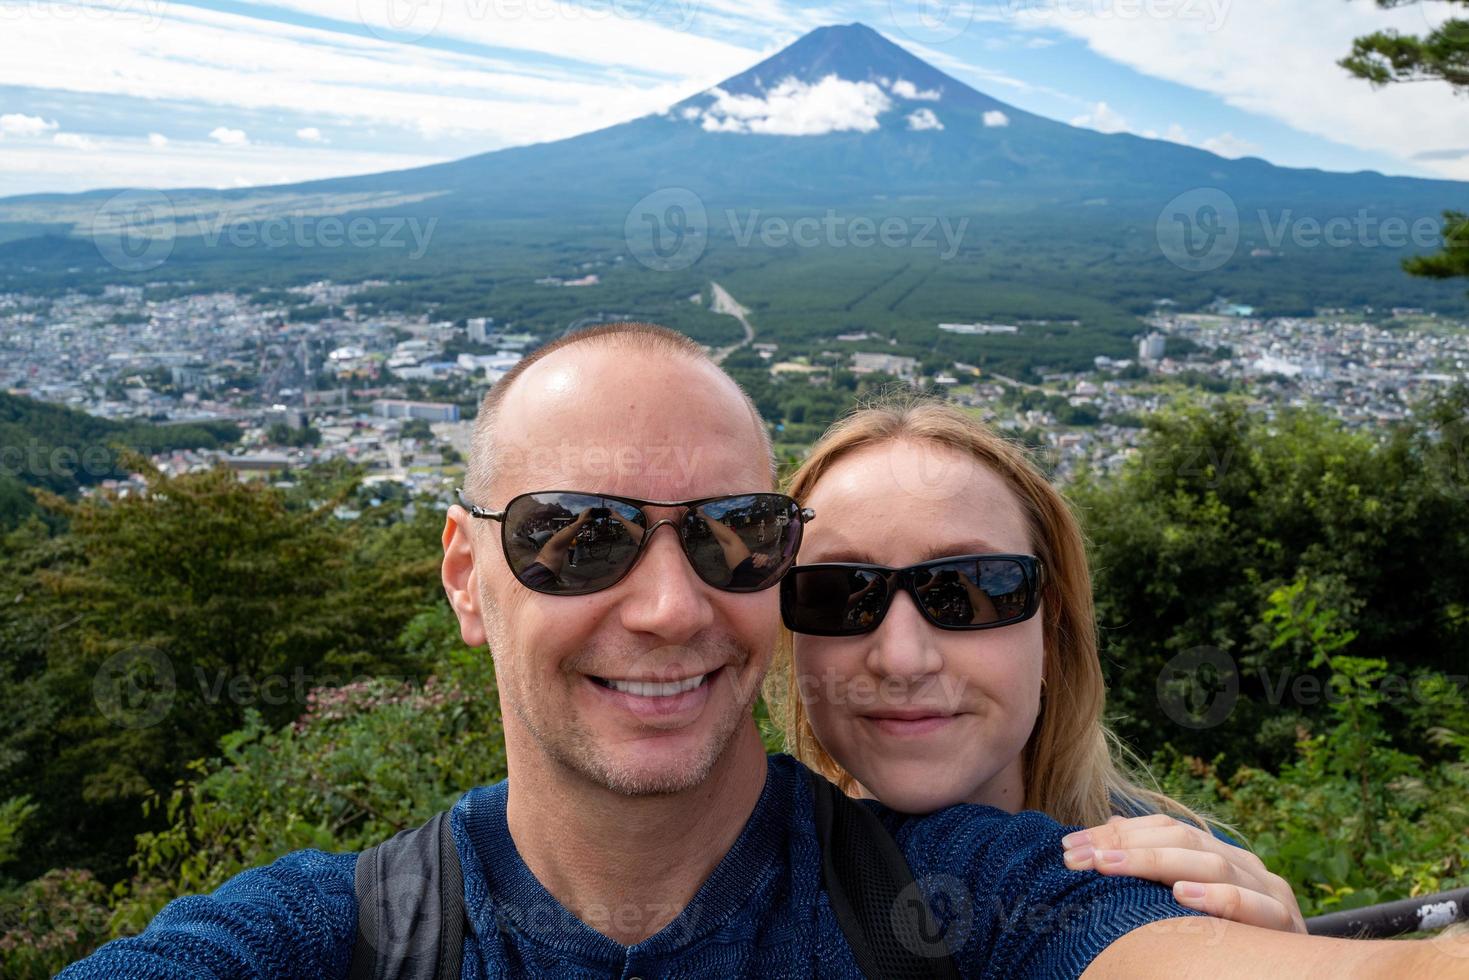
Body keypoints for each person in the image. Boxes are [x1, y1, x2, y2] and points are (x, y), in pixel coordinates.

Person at [60, 323, 1465, 977]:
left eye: (731, 538)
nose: (669, 607)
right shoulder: (337, 937)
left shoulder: (1026, 887)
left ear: (1061, 623)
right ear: (465, 575)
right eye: (576, 536)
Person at [769, 397, 1306, 933]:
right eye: (839, 593)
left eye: (970, 590)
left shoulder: (1194, 879)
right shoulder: (734, 897)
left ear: (1051, 632)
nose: (903, 660)